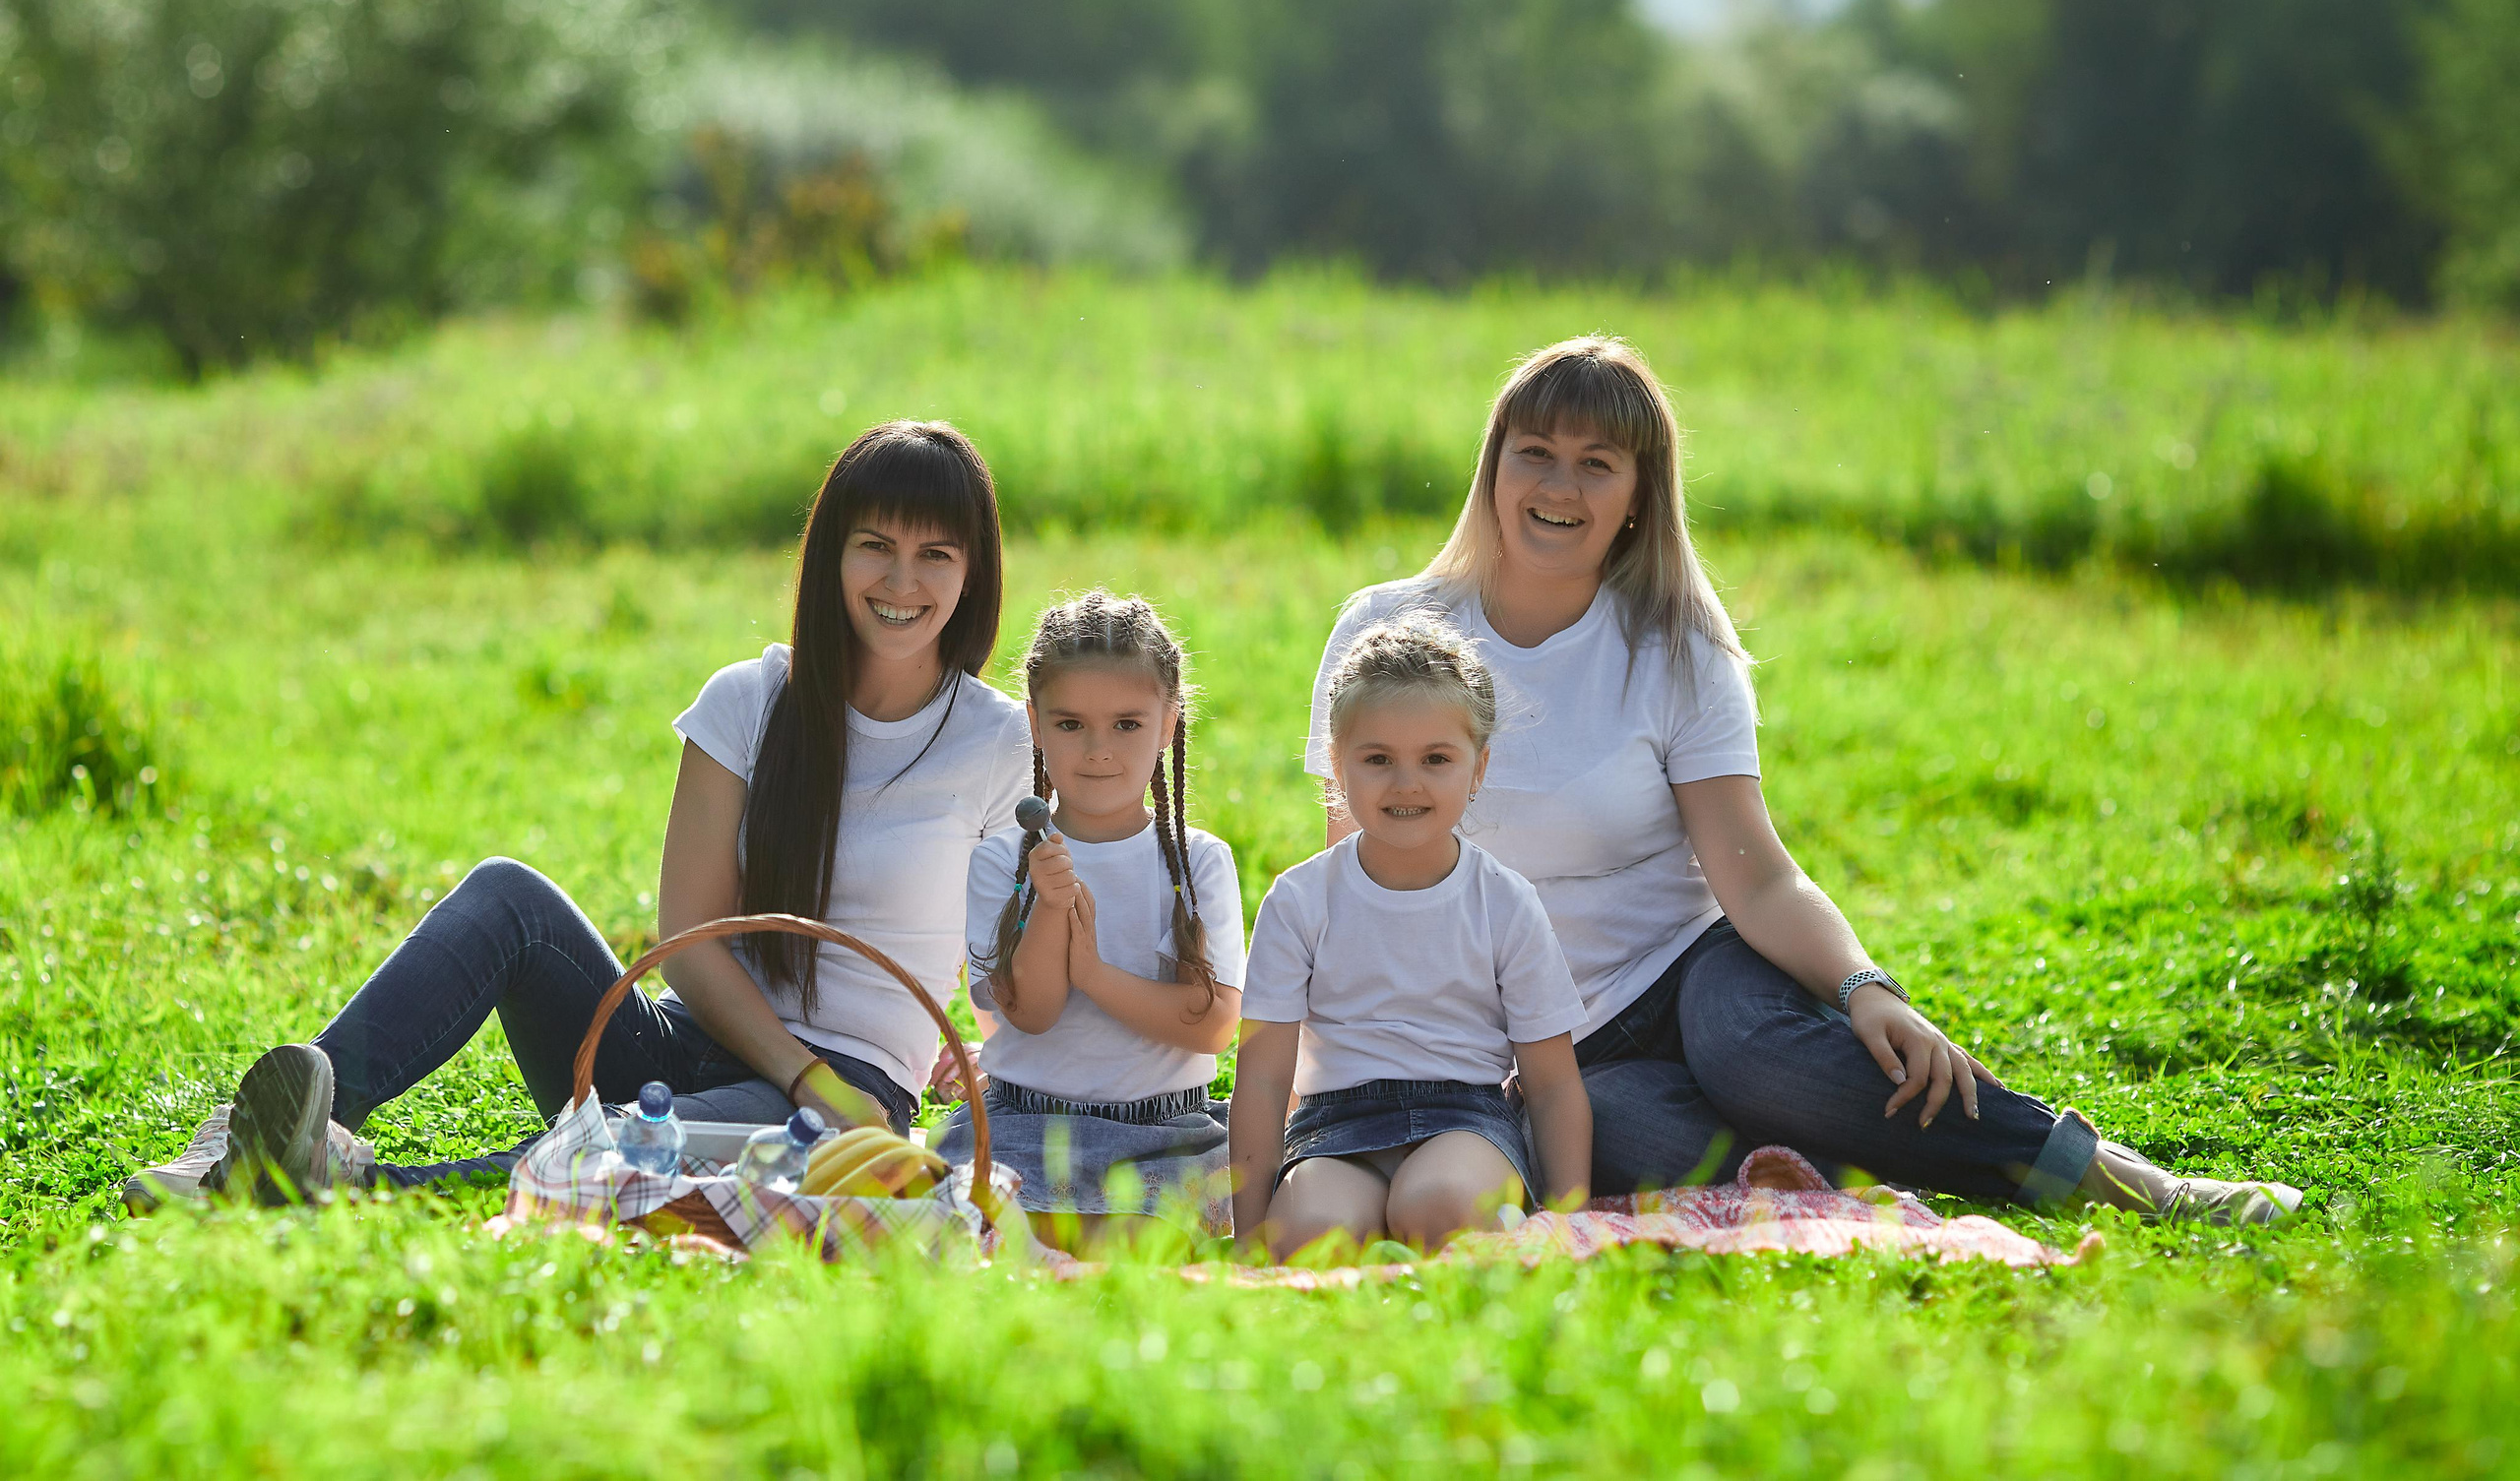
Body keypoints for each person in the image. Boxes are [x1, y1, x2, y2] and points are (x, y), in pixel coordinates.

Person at [1304, 338, 2300, 1223]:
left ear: (1637, 496)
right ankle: (1873, 1184)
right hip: (1551, 1041)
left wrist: (1866, 988)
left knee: (1752, 1055)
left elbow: (1758, 877)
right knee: (1630, 1136)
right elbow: (1357, 865)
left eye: (1594, 464)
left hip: (1689, 966)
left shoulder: (1675, 649)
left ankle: (2122, 1181)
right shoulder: (1389, 631)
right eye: (1535, 454)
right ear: (1493, 466)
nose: (1558, 487)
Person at [208, 420, 1032, 1200]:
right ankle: (290, 1115)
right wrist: (797, 1066)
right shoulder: (747, 701)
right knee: (509, 897)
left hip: (842, 1105)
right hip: (683, 1043)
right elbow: (690, 949)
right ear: (831, 558)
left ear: (973, 572)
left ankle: (336, 1188)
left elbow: (1012, 963)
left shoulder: (999, 742)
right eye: (875, 547)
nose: (902, 582)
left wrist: (982, 1051)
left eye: (935, 555)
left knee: (622, 1149)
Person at [1232, 617, 1593, 1260]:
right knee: (1310, 1234)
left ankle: (1493, 1236)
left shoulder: (1504, 900)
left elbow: (1553, 1081)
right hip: (1333, 1125)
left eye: (1435, 759)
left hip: (1466, 1121)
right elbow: (1262, 1077)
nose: (1406, 783)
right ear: (1338, 765)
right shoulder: (1299, 899)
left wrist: (1571, 1221)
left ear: (1477, 767)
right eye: (1377, 759)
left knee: (1437, 1204)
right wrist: (1249, 1232)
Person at [937, 590, 1245, 1248]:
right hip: (1026, 1120)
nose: (1098, 749)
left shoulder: (1196, 862)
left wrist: (1096, 975)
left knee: (1134, 1236)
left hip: (1161, 1133)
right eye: (1071, 723)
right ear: (1036, 724)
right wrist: (1050, 910)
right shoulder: (1003, 860)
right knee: (981, 1219)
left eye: (1128, 724)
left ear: (1169, 722)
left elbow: (1214, 1024)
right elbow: (1032, 1012)